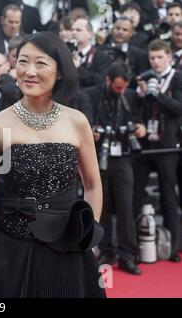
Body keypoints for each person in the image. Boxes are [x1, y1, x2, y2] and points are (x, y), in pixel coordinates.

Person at [0, 31, 106, 298]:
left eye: (41, 63)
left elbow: (93, 185)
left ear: (60, 72)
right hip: (11, 251)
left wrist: (89, 231)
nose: (29, 71)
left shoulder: (77, 121)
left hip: (68, 248)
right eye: (22, 61)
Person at [83, 62, 145, 275]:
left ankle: (128, 255)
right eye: (118, 87)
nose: (121, 91)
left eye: (124, 87)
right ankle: (108, 252)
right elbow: (85, 122)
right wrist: (91, 131)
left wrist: (139, 128)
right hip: (98, 156)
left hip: (123, 158)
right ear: (108, 80)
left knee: (126, 206)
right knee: (105, 206)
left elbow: (140, 121)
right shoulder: (90, 95)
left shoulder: (130, 96)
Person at [133, 39, 182, 263]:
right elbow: (136, 108)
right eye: (152, 58)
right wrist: (142, 94)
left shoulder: (178, 77)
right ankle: (133, 244)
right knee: (135, 193)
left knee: (168, 195)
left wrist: (158, 94)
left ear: (169, 57)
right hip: (145, 145)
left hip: (168, 145)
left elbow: (179, 109)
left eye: (160, 57)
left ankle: (173, 247)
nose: (156, 62)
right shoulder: (145, 77)